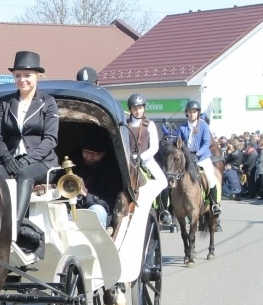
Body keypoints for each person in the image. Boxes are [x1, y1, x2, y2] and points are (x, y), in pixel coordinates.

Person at [0, 51, 59, 224]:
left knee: (24, 174)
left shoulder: (48, 102)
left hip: (42, 162)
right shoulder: (6, 102)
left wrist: (28, 160)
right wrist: (7, 158)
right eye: (17, 76)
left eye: (27, 75)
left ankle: (15, 225)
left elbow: (50, 139)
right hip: (12, 159)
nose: (22, 80)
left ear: (38, 76)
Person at [125, 94, 167, 222]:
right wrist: (130, 157)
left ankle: (163, 211)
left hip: (146, 160)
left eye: (140, 108)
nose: (138, 111)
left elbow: (154, 147)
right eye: (134, 108)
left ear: (144, 108)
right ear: (131, 109)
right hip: (128, 159)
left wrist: (141, 158)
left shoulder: (150, 124)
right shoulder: (125, 125)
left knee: (164, 182)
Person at [176, 100, 221, 215]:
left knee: (210, 179)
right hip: (187, 157)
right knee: (175, 177)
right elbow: (179, 143)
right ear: (187, 113)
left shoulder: (204, 125)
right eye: (190, 112)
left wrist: (197, 154)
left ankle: (214, 204)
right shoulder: (182, 128)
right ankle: (173, 206)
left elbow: (206, 143)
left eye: (194, 112)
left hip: (202, 157)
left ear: (198, 113)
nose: (192, 114)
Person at [73, 128, 122, 230]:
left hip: (97, 211)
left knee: (97, 210)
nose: (89, 157)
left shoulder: (112, 172)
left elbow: (109, 204)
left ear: (103, 154)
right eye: (86, 152)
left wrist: (86, 194)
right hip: (73, 207)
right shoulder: (75, 165)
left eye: (94, 154)